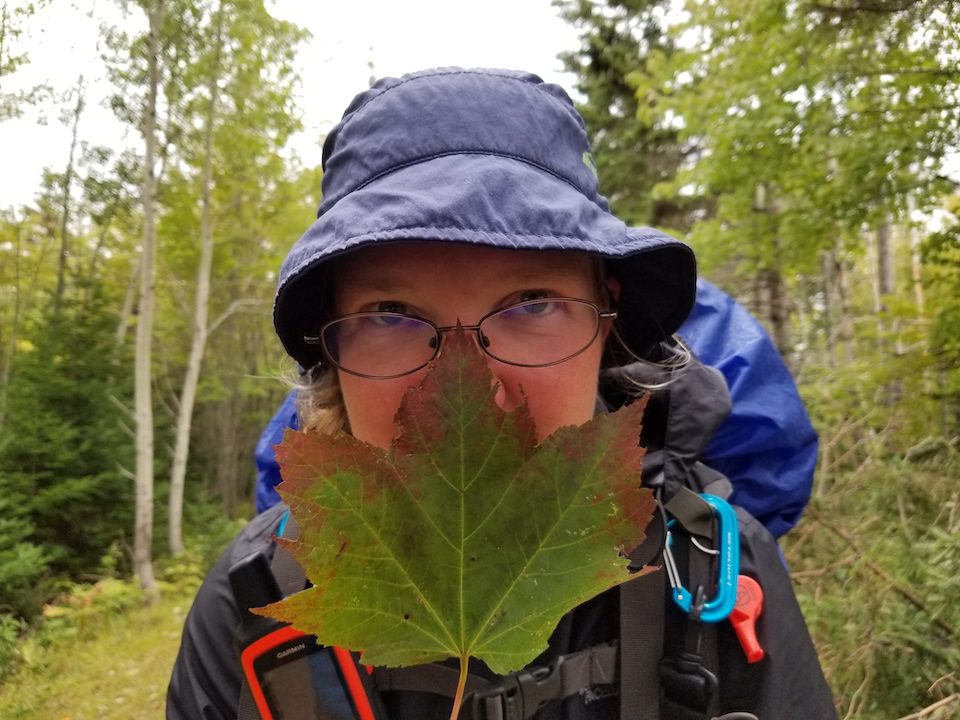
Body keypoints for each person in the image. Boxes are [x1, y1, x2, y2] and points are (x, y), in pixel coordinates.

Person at [167, 67, 837, 720]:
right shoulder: (252, 600)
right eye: (391, 314)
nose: (471, 392)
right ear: (327, 347)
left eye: (532, 303)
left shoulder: (712, 571)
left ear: (608, 321)